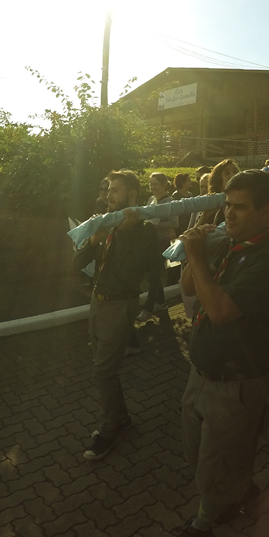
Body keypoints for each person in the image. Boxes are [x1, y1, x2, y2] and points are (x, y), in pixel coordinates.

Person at [161, 170, 269, 537]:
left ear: (266, 212)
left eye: (240, 207)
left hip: (236, 381)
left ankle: (205, 525)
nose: (228, 215)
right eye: (226, 206)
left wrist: (196, 255)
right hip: (202, 370)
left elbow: (219, 310)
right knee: (200, 450)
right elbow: (189, 287)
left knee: (213, 464)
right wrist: (198, 251)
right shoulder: (229, 243)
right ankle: (239, 487)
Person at [73, 171, 158, 460]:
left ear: (132, 194)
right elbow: (76, 263)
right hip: (97, 303)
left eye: (115, 190)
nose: (108, 195)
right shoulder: (106, 223)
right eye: (108, 189)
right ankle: (122, 418)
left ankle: (110, 431)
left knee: (102, 372)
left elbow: (128, 274)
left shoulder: (143, 231)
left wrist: (125, 233)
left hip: (120, 305)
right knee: (106, 371)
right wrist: (93, 240)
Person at [137, 173, 177, 322]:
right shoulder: (151, 200)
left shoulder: (170, 202)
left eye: (156, 184)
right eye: (151, 184)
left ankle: (148, 308)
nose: (153, 187)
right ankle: (161, 302)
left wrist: (156, 226)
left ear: (164, 185)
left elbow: (175, 223)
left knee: (154, 275)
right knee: (152, 274)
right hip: (149, 242)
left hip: (162, 242)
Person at [192, 159, 239, 227]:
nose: (233, 175)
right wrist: (204, 216)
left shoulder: (247, 202)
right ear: (218, 180)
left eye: (235, 172)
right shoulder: (213, 207)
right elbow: (193, 233)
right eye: (227, 173)